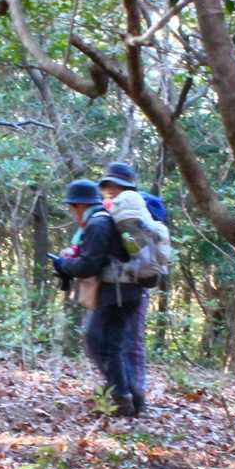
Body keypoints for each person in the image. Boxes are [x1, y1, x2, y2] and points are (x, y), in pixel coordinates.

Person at [49, 178, 144, 417]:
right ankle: (130, 396)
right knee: (109, 343)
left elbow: (88, 266)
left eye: (72, 207)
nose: (72, 213)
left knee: (101, 342)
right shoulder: (103, 220)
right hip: (124, 291)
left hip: (117, 293)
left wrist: (63, 265)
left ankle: (123, 400)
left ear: (79, 205)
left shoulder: (98, 224)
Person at [97, 162, 152, 416]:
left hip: (123, 285)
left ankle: (128, 399)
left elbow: (131, 249)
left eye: (113, 185)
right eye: (107, 186)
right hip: (135, 283)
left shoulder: (124, 210)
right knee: (124, 342)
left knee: (119, 343)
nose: (110, 190)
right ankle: (130, 397)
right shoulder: (134, 210)